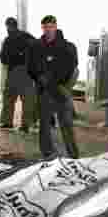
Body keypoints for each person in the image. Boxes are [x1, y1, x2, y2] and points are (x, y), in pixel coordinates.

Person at [30, 14, 80, 159]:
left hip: (61, 90)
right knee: (44, 124)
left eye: (51, 27)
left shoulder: (68, 46)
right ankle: (47, 154)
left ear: (55, 26)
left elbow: (72, 67)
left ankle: (73, 155)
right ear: (42, 28)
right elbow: (31, 67)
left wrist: (56, 81)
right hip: (44, 90)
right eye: (45, 27)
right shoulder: (36, 46)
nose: (48, 30)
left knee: (66, 124)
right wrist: (40, 77)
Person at [0, 16, 37, 132]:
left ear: (9, 26)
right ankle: (26, 124)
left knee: (9, 97)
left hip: (14, 71)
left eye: (8, 27)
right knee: (27, 99)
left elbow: (3, 58)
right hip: (26, 71)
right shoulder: (27, 36)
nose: (7, 29)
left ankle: (7, 122)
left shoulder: (8, 40)